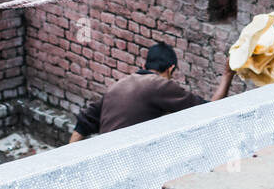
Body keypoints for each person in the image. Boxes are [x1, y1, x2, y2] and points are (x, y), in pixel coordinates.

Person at [69, 43, 235, 141]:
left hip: (105, 156)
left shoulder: (118, 85)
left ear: (144, 66)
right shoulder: (159, 85)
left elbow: (83, 122)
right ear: (171, 69)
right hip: (128, 159)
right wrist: (227, 75)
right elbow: (210, 110)